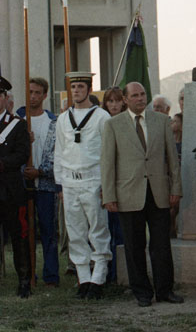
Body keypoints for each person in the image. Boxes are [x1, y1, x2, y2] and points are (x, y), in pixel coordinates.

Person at [101, 82, 183, 307]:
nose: (140, 98)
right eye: (135, 95)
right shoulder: (113, 125)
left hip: (159, 192)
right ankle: (142, 292)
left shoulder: (161, 121)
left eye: (143, 94)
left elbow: (172, 159)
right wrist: (109, 195)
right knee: (134, 245)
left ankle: (165, 290)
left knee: (162, 244)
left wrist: (176, 188)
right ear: (125, 99)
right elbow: (107, 163)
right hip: (128, 193)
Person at [54, 71, 111, 300]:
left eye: (80, 86)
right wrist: (60, 184)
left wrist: (106, 184)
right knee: (75, 231)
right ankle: (83, 278)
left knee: (98, 229)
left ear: (89, 89)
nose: (76, 90)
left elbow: (107, 153)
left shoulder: (102, 117)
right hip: (70, 181)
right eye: (73, 87)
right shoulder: (62, 119)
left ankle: (99, 278)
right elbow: (59, 152)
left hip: (93, 179)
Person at [17, 77, 60, 287]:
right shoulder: (18, 121)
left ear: (45, 95)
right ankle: (28, 273)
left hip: (45, 185)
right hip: (22, 185)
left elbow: (58, 154)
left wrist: (41, 172)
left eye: (37, 93)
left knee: (48, 230)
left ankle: (51, 275)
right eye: (30, 92)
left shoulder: (53, 122)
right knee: (25, 231)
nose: (33, 96)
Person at [0, 75, 31, 297]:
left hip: (10, 190)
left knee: (19, 235)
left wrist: (2, 163)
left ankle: (24, 281)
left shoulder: (17, 125)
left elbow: (22, 153)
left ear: (5, 98)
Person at [101, 87, 126, 283]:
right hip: (106, 182)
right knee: (106, 230)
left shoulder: (127, 122)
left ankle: (122, 272)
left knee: (123, 231)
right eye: (110, 101)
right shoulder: (102, 122)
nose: (114, 105)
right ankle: (109, 272)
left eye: (117, 101)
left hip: (125, 183)